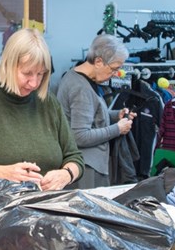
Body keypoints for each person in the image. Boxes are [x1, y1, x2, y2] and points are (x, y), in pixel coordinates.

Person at [0, 28, 84, 201]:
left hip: (46, 210)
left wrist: (66, 174)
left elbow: (75, 158)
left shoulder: (49, 104)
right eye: (27, 73)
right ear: (8, 65)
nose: (34, 82)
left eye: (40, 74)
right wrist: (3, 174)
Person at [56, 34, 135, 189]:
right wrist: (118, 129)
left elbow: (89, 116)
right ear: (99, 61)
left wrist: (114, 116)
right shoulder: (80, 88)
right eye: (114, 69)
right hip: (87, 168)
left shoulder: (79, 78)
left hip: (87, 164)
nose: (114, 74)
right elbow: (80, 136)